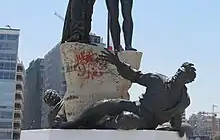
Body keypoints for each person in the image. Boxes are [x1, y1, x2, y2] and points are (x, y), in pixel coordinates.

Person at [60, 49, 196, 138]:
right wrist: (118, 63)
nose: (177, 75)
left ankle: (97, 128)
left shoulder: (184, 100)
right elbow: (134, 75)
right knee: (106, 105)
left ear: (187, 81)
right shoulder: (157, 80)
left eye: (182, 75)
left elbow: (176, 116)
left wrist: (177, 130)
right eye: (178, 72)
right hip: (137, 106)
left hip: (147, 122)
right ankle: (74, 123)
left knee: (127, 119)